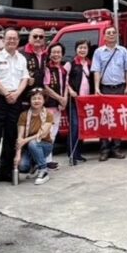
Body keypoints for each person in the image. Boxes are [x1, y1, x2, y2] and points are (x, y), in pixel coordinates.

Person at [0, 29, 29, 185]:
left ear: (18, 41)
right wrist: (6, 94)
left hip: (16, 98)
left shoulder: (21, 58)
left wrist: (16, 94)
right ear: (3, 40)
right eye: (8, 38)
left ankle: (6, 170)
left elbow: (25, 78)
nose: (11, 41)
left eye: (14, 39)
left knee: (11, 136)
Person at [92, 26, 127, 161]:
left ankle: (116, 148)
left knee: (118, 119)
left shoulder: (123, 51)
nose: (111, 35)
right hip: (105, 89)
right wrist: (97, 87)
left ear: (117, 35)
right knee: (104, 119)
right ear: (104, 36)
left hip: (120, 88)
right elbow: (96, 70)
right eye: (108, 33)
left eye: (113, 32)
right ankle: (104, 150)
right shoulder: (98, 52)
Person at [16, 89, 56, 185]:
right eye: (34, 99)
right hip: (28, 147)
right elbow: (20, 138)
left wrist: (25, 140)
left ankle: (43, 170)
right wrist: (17, 155)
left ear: (43, 100)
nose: (36, 101)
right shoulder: (23, 115)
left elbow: (42, 134)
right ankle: (35, 163)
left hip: (45, 145)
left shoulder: (48, 114)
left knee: (33, 142)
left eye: (39, 98)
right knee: (22, 167)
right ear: (30, 101)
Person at [41, 42, 69, 170]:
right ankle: (43, 161)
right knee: (46, 132)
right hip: (48, 105)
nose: (56, 55)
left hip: (58, 106)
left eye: (59, 52)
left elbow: (66, 85)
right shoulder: (47, 68)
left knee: (53, 133)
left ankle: (49, 159)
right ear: (49, 54)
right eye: (54, 52)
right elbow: (45, 87)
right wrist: (59, 98)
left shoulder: (63, 69)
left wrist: (64, 100)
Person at [66, 40, 93, 164]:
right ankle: (72, 154)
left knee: (82, 127)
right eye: (80, 48)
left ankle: (78, 153)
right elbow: (64, 80)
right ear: (76, 49)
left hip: (86, 102)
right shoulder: (70, 64)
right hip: (74, 100)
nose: (82, 50)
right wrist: (70, 90)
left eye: (85, 48)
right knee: (75, 127)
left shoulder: (89, 63)